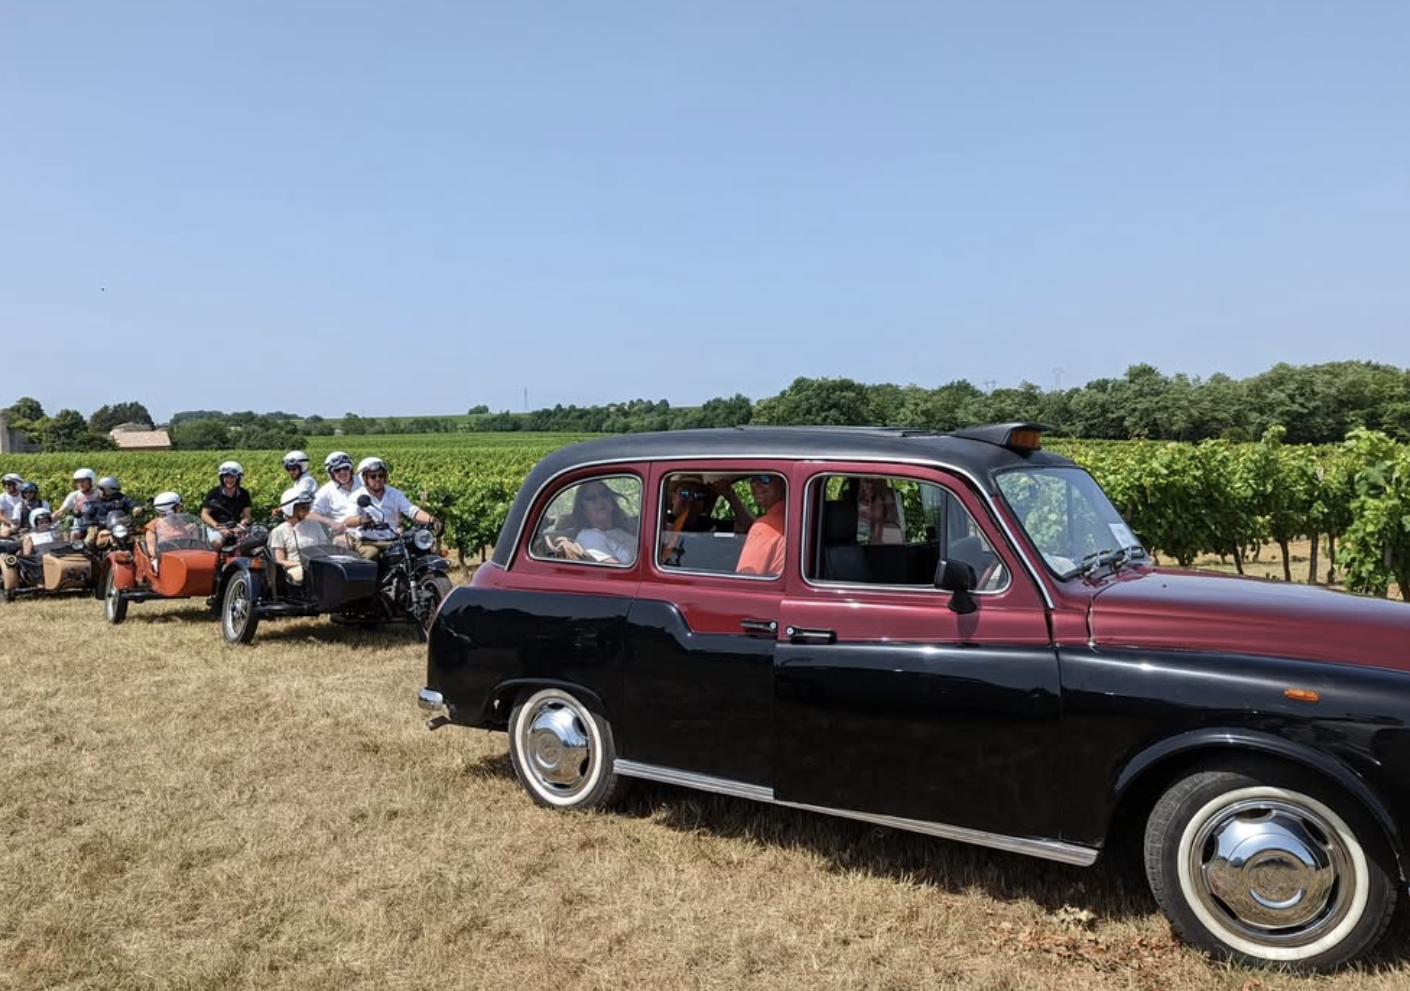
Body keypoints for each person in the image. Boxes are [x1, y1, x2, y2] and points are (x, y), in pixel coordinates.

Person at [344, 456, 438, 559]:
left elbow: (412, 511)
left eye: (381, 475)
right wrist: (361, 520)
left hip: (393, 539)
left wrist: (431, 519)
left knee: (416, 552)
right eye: (373, 476)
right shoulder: (356, 496)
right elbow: (348, 521)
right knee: (371, 553)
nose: (378, 479)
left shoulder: (395, 494)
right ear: (364, 479)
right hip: (367, 541)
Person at [553, 480, 637, 564]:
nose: (600, 501)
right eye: (591, 498)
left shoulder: (622, 531)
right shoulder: (588, 537)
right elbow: (616, 571)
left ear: (611, 502)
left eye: (604, 494)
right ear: (583, 509)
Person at [268, 486, 328, 583]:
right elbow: (280, 561)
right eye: (303, 507)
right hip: (295, 569)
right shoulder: (279, 531)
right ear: (291, 508)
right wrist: (300, 564)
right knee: (309, 574)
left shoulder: (314, 524)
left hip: (318, 566)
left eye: (308, 507)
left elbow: (326, 549)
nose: (307, 510)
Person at [145, 492, 216, 570]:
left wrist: (194, 532)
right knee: (156, 566)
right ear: (170, 510)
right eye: (178, 506)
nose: (181, 508)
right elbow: (152, 551)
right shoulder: (153, 526)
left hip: (186, 557)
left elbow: (195, 544)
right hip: (165, 560)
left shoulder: (182, 522)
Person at [735, 473, 787, 576]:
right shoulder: (792, 517)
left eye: (765, 478)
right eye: (753, 479)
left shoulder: (764, 527)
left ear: (784, 483)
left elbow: (746, 581)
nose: (756, 484)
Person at [201, 461, 252, 540]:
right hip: (216, 527)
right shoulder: (213, 493)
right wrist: (217, 526)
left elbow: (247, 515)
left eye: (232, 477)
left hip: (236, 526)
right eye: (226, 477)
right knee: (217, 542)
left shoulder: (244, 493)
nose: (229, 480)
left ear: (238, 478)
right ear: (222, 478)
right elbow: (204, 514)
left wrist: (241, 525)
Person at [82, 477, 138, 548]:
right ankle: (92, 556)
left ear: (108, 490)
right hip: (101, 527)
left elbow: (132, 504)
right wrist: (91, 522)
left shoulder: (122, 498)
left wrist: (137, 509)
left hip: (120, 527)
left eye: (101, 489)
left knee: (135, 539)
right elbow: (88, 514)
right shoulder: (97, 501)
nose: (99, 491)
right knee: (89, 540)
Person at [853, 477, 905, 545]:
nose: (870, 506)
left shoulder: (893, 533)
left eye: (874, 500)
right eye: (865, 501)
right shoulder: (851, 531)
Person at [55, 468, 96, 535]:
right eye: (77, 481)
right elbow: (61, 511)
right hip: (79, 527)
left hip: (96, 525)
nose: (80, 484)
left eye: (83, 481)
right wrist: (47, 520)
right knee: (74, 535)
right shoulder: (74, 495)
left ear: (91, 481)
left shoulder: (98, 494)